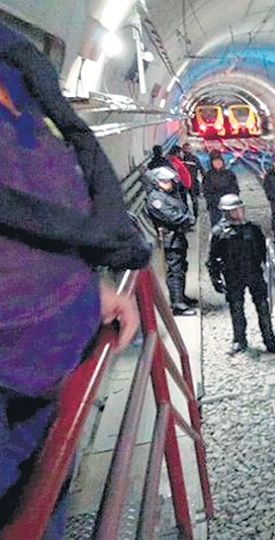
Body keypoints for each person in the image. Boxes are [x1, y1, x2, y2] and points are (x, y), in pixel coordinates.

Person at [1, 24, 150, 533]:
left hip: (40, 359)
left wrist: (89, 281)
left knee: (40, 492)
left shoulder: (17, 73)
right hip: (22, 356)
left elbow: (36, 203)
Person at [207, 194, 275, 355]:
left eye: (240, 209)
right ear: (226, 212)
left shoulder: (252, 228)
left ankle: (270, 341)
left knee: (263, 307)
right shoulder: (219, 232)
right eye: (234, 211)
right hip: (233, 276)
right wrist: (215, 278)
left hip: (254, 273)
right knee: (237, 309)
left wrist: (268, 270)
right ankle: (239, 340)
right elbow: (212, 259)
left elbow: (263, 252)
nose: (239, 213)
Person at [146, 167, 198, 315]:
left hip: (177, 237)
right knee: (175, 271)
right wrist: (188, 220)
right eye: (164, 181)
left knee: (181, 268)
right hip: (171, 239)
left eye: (169, 180)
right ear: (156, 182)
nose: (169, 183)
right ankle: (177, 304)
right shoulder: (156, 199)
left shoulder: (167, 195)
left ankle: (180, 297)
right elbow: (172, 216)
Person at [202, 150, 240, 227]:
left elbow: (235, 188)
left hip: (230, 205)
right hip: (215, 207)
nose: (218, 163)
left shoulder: (229, 174)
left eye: (219, 161)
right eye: (215, 161)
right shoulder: (208, 176)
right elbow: (207, 192)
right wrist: (217, 200)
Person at [180, 142, 203, 219]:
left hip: (188, 183)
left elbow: (201, 170)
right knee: (191, 199)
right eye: (185, 149)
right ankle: (193, 214)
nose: (186, 150)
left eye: (187, 149)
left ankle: (191, 214)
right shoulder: (194, 159)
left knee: (189, 199)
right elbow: (201, 169)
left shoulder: (181, 160)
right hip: (189, 182)